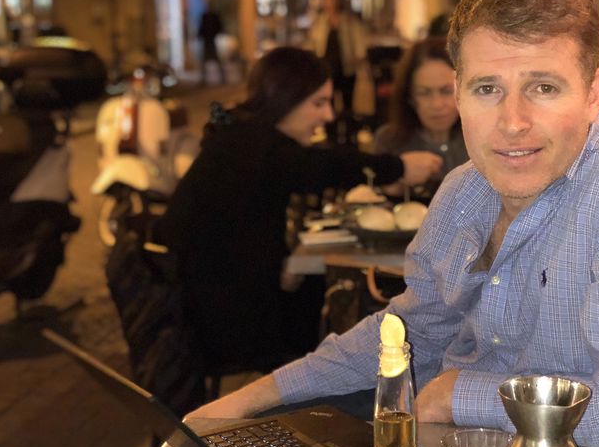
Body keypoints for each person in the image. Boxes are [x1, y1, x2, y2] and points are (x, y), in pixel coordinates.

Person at [188, 0, 599, 447]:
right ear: (457, 93)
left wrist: (461, 395)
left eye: (544, 88)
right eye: (487, 89)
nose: (513, 122)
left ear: (594, 93)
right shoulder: (465, 191)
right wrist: (251, 400)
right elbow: (408, 333)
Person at [160, 46, 442, 380]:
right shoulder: (254, 145)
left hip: (209, 298)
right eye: (318, 103)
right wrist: (397, 166)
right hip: (205, 318)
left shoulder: (244, 137)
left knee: (312, 291)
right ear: (284, 99)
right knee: (324, 319)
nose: (329, 116)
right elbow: (322, 167)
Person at [373, 36, 468, 200]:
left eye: (446, 91)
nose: (437, 104)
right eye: (424, 93)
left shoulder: (483, 138)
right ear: (409, 97)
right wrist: (396, 178)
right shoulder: (389, 141)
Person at [308, 0, 367, 114]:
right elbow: (313, 44)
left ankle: (348, 125)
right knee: (329, 104)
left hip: (346, 68)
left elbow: (360, 43)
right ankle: (332, 126)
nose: (332, 2)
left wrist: (357, 58)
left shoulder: (349, 21)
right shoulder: (319, 22)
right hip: (327, 70)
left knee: (348, 104)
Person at [198, 7, 226, 85]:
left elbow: (217, 26)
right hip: (209, 40)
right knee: (209, 59)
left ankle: (221, 77)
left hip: (210, 40)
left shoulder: (210, 16)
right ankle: (205, 78)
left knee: (211, 58)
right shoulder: (206, 16)